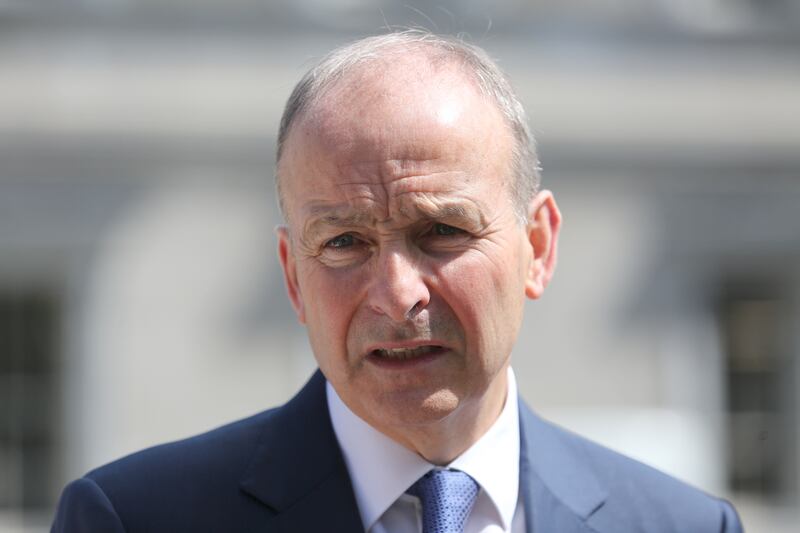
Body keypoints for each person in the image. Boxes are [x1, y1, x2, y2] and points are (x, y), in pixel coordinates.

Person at [52, 31, 743, 533]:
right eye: (346, 241)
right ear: (294, 276)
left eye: (441, 231)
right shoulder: (135, 519)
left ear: (537, 245)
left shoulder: (680, 525)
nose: (397, 293)